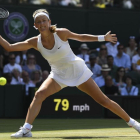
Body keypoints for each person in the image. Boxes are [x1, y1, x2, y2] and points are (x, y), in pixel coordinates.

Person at [0, 9, 139, 138]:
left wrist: (103, 38)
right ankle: (26, 129)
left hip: (77, 71)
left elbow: (81, 37)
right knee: (39, 94)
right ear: (35, 25)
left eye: (44, 20)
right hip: (58, 75)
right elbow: (10, 47)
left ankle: (134, 123)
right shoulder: (35, 42)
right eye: (39, 22)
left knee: (104, 101)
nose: (42, 23)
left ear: (49, 22)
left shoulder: (61, 33)